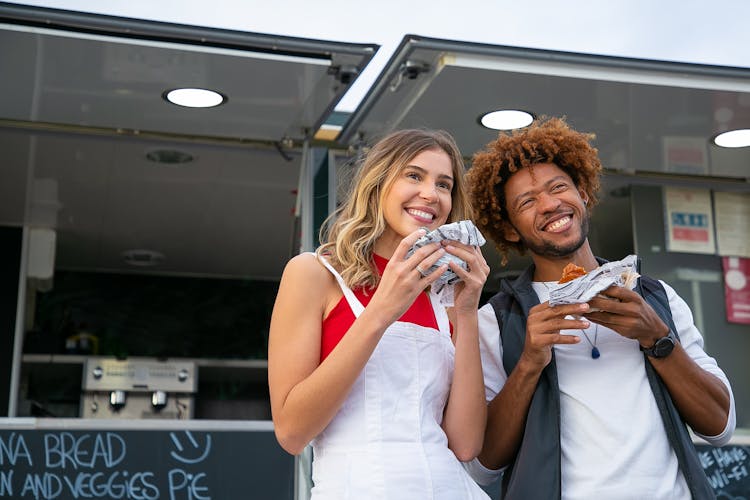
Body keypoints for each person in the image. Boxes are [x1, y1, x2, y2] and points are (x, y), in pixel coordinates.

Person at [463, 117, 735, 499]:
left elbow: (720, 427)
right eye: (527, 202)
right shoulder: (496, 320)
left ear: (583, 193)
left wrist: (657, 338)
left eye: (559, 187)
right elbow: (482, 465)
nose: (550, 204)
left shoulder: (658, 298)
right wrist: (529, 363)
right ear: (509, 230)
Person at [268, 128, 491, 499]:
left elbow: (466, 445)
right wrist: (383, 309)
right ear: (378, 183)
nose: (430, 194)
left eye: (444, 184)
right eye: (414, 176)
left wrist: (466, 314)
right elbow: (292, 432)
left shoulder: (446, 295)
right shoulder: (314, 274)